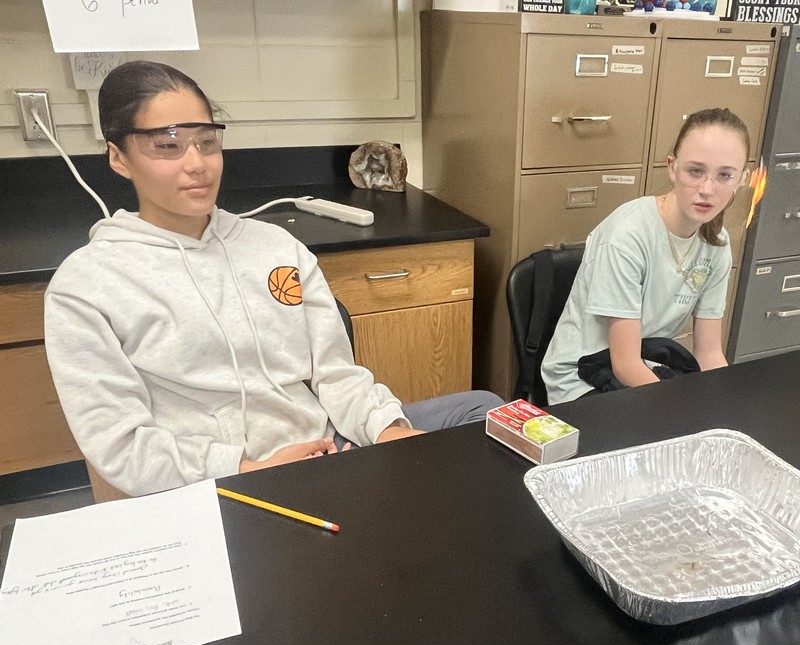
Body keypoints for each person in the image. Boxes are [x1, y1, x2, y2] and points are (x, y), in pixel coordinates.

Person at [44, 60, 501, 497]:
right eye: (168, 145)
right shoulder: (87, 287)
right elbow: (122, 445)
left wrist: (387, 431)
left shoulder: (277, 248)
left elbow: (336, 373)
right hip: (224, 482)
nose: (196, 162)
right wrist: (248, 469)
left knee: (487, 411)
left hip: (331, 447)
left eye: (206, 141)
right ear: (118, 157)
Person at [540, 108, 749, 404]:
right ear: (672, 167)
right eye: (695, 171)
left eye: (725, 175)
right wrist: (680, 411)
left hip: (646, 365)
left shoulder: (717, 243)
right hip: (582, 380)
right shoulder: (627, 236)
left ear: (742, 178)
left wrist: (724, 408)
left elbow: (709, 353)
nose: (707, 189)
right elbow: (624, 366)